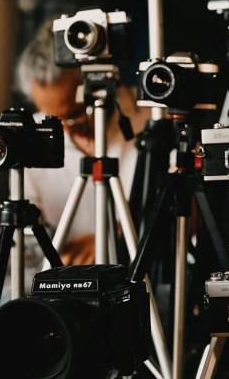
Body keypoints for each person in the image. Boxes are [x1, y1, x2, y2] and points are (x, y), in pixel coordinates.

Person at [16, 18, 147, 265]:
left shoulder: (149, 120)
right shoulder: (32, 133)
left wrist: (112, 237)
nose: (65, 129)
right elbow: (30, 219)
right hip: (65, 272)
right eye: (52, 118)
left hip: (141, 270)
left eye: (75, 115)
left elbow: (186, 213)